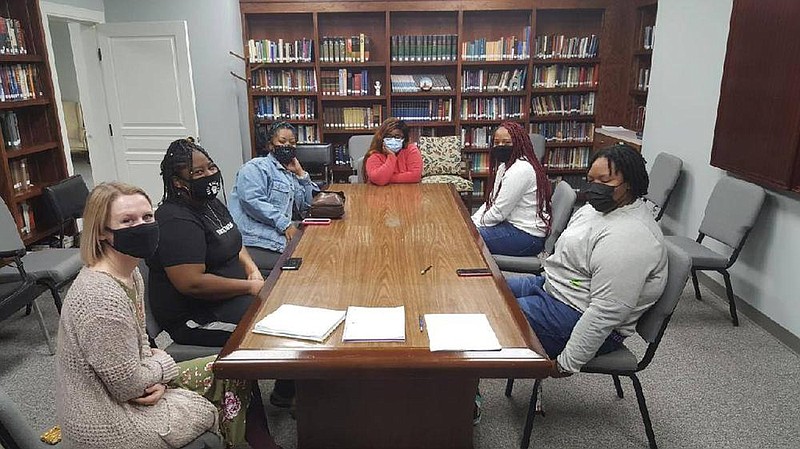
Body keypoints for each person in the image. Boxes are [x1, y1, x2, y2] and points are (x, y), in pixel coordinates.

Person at [56, 182, 280, 449]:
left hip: (135, 386)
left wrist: (156, 375)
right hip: (110, 422)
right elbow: (127, 387)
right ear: (102, 232)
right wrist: (162, 368)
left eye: (147, 217)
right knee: (205, 410)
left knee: (234, 370)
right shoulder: (101, 299)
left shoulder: (129, 272)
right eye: (127, 221)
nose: (142, 226)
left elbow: (139, 351)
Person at [507, 144, 668, 378]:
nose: (594, 188)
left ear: (630, 183)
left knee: (489, 319)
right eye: (591, 179)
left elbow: (606, 312)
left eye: (604, 181)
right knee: (483, 290)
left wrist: (565, 364)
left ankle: (464, 401)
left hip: (575, 313)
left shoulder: (630, 237)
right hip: (553, 288)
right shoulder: (595, 210)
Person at [146, 137, 263, 347]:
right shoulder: (176, 220)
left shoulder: (210, 204)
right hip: (197, 318)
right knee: (270, 330)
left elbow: (232, 239)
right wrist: (249, 287)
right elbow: (192, 283)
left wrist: (252, 270)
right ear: (178, 182)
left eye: (211, 168)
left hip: (231, 297)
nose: (209, 175)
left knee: (282, 305)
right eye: (198, 173)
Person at [229, 121, 315, 277]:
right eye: (282, 142)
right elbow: (253, 201)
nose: (288, 146)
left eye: (292, 143)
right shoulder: (255, 168)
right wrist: (285, 225)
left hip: (279, 235)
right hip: (254, 240)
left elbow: (307, 206)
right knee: (307, 262)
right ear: (270, 145)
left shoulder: (289, 172)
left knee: (316, 250)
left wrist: (301, 174)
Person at [472, 121, 552, 257]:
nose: (500, 146)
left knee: (467, 239)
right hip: (510, 225)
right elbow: (491, 201)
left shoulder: (520, 170)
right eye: (496, 143)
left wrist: (472, 227)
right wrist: (472, 220)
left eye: (507, 143)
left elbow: (498, 213)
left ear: (519, 143)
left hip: (527, 236)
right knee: (466, 233)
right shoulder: (504, 166)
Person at [363, 118, 423, 185]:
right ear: (381, 138)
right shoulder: (374, 154)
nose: (393, 140)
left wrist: (386, 178)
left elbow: (415, 176)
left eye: (397, 137)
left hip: (407, 192)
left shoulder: (411, 149)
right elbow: (378, 179)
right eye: (389, 136)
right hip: (380, 193)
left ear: (404, 139)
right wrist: (391, 156)